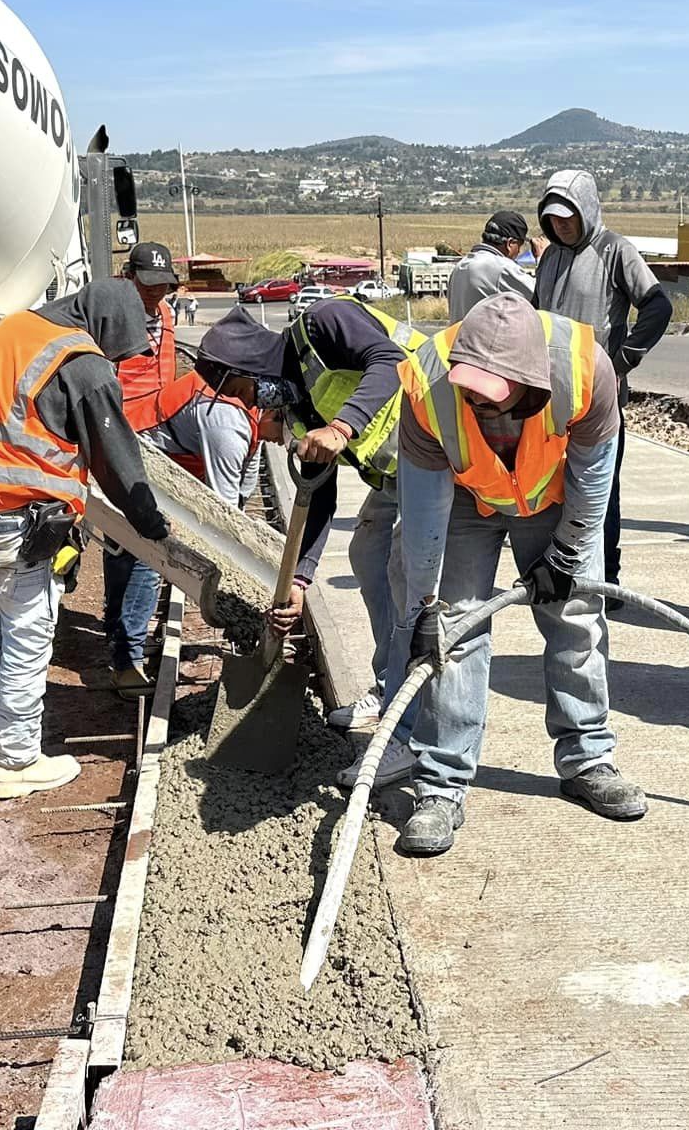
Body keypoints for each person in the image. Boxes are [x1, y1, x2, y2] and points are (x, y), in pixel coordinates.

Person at [393, 293, 640, 855]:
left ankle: (588, 759)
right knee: (453, 633)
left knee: (576, 618)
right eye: (472, 395)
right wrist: (424, 605)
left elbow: (596, 475)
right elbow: (423, 511)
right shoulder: (426, 384)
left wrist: (568, 553)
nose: (479, 407)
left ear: (531, 379)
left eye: (494, 399)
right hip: (463, 501)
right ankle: (440, 786)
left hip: (552, 499)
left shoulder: (584, 368)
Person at [0, 281, 172, 800]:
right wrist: (149, 522)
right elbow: (115, 457)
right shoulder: (79, 360)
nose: (112, 358)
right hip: (18, 522)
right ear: (109, 326)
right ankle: (18, 760)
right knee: (26, 641)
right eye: (118, 349)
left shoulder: (5, 331)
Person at [198, 295, 420, 744]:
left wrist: (342, 427)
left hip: (434, 439)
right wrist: (298, 583)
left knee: (403, 570)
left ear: (251, 363)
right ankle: (389, 685)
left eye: (245, 390)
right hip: (396, 473)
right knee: (366, 551)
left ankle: (410, 709)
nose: (253, 404)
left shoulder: (324, 322)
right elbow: (317, 500)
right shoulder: (298, 413)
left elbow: (389, 359)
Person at [533, 170, 673, 589]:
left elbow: (657, 305)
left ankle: (604, 581)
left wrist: (621, 360)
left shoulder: (615, 250)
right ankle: (562, 570)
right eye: (552, 217)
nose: (560, 224)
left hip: (598, 399)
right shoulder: (551, 257)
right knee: (556, 489)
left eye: (568, 216)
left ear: (587, 210)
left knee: (599, 493)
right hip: (550, 398)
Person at [101, 242, 180, 699]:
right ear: (128, 277)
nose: (156, 296)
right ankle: (127, 655)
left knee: (127, 545)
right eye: (148, 287)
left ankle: (119, 632)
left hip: (157, 438)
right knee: (149, 546)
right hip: (122, 440)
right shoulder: (108, 317)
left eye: (163, 287)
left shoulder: (165, 315)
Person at [448, 209, 535, 319]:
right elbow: (540, 295)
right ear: (510, 243)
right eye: (519, 246)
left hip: (456, 335)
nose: (518, 252)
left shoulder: (460, 266)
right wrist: (542, 257)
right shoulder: (501, 267)